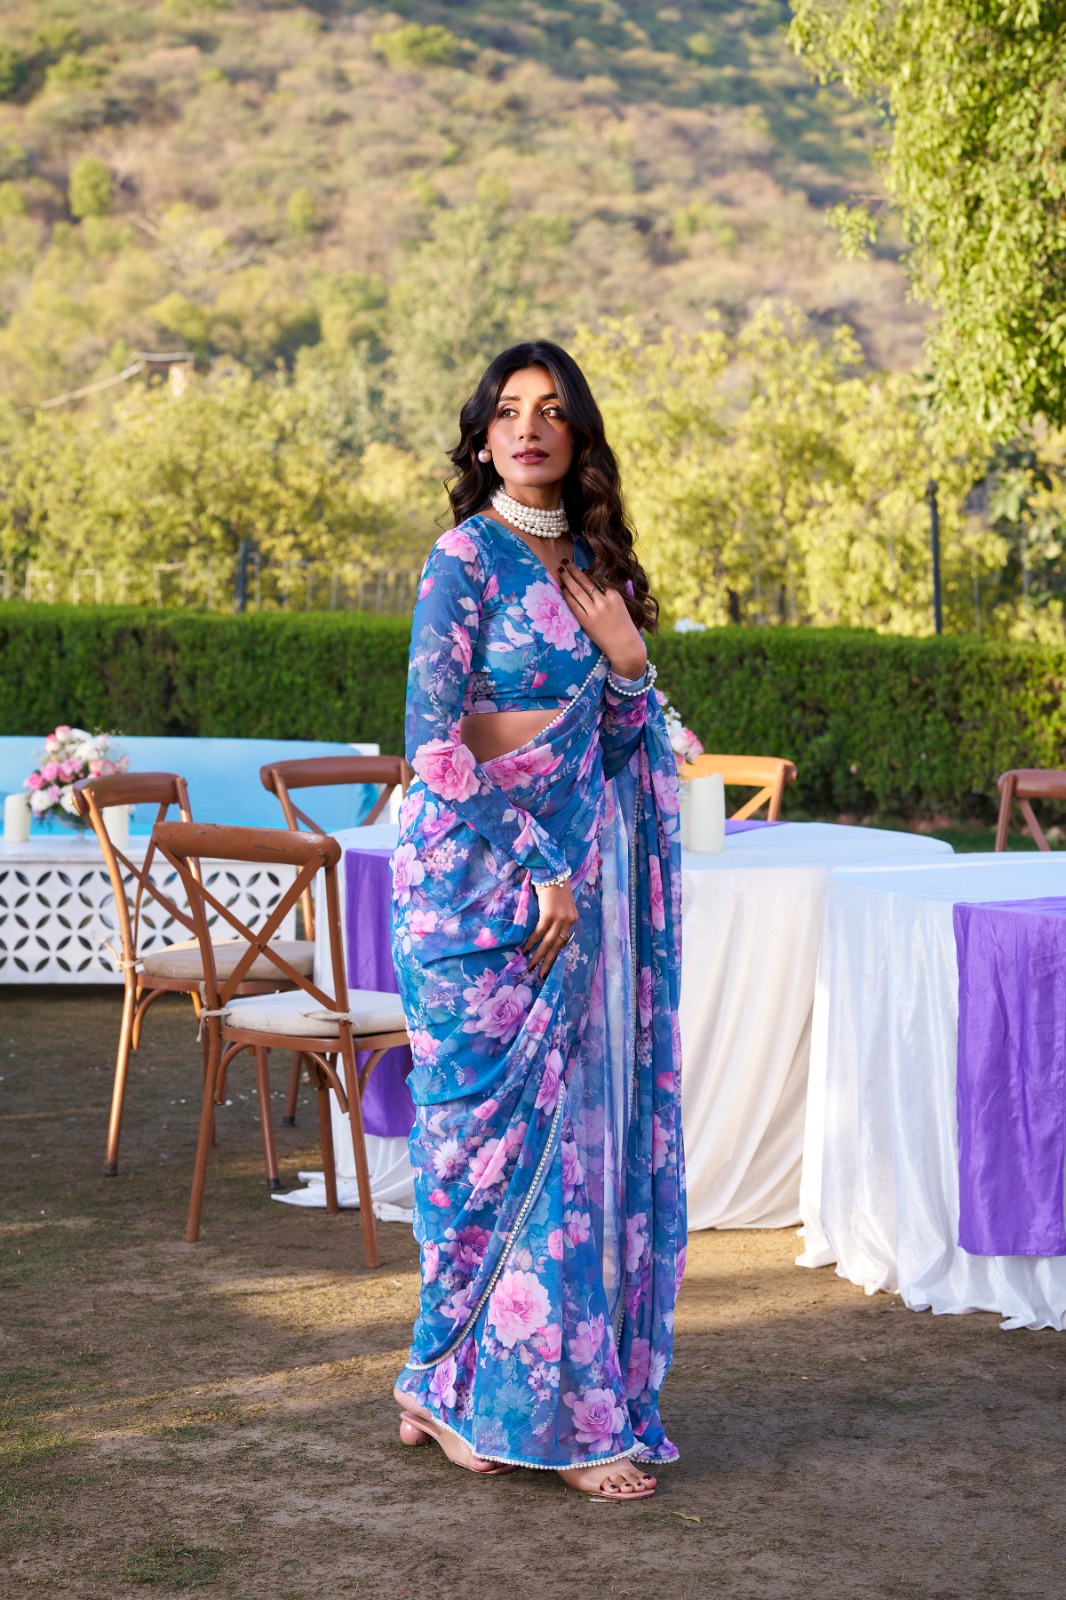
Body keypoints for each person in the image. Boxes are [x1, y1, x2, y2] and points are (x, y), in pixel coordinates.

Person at [389, 340, 685, 1501]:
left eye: (551, 410)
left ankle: (511, 1396)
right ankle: (447, 1382)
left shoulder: (595, 569)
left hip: (565, 892)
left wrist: (629, 663)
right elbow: (433, 746)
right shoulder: (461, 559)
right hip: (470, 889)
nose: (528, 426)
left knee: (561, 1156)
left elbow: (613, 750)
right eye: (508, 410)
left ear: (577, 436)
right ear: (482, 436)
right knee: (468, 1152)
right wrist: (542, 863)